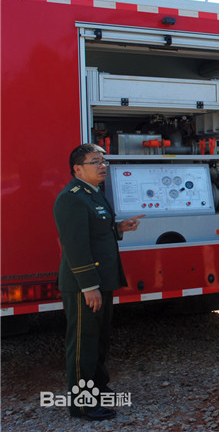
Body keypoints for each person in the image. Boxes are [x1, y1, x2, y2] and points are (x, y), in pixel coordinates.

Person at [54, 143, 144, 421]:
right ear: (78, 169)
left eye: (104, 161)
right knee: (84, 344)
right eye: (95, 161)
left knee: (100, 340)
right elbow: (75, 247)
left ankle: (99, 389)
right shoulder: (71, 199)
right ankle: (82, 404)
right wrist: (89, 286)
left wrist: (119, 228)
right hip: (86, 285)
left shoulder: (93, 195)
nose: (103, 165)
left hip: (100, 281)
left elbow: (96, 232)